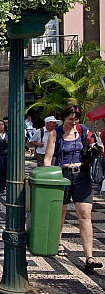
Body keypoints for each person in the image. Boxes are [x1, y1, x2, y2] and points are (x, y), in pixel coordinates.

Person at [44, 105, 102, 270]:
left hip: (82, 175)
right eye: (71, 120)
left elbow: (94, 146)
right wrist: (49, 179)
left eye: (76, 120)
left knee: (85, 214)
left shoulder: (83, 131)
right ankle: (58, 242)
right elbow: (48, 159)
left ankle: (89, 257)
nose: (74, 123)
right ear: (64, 119)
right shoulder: (56, 134)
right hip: (62, 175)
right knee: (60, 212)